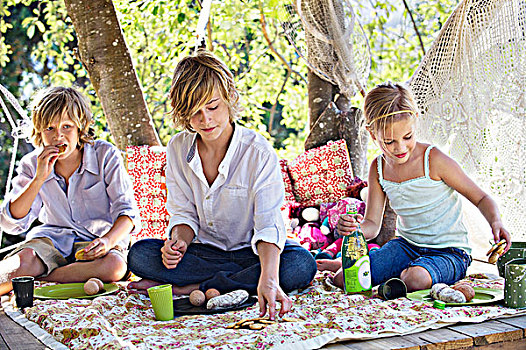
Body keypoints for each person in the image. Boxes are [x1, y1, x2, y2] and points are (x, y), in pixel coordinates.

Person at [127, 50, 317, 319]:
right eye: (194, 113)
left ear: (229, 99)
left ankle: (192, 288)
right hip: (204, 254)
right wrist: (178, 243)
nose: (205, 119)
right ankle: (228, 284)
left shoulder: (259, 153)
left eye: (213, 107)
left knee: (300, 265)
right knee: (139, 255)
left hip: (253, 253)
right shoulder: (178, 148)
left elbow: (268, 225)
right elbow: (183, 214)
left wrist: (270, 278)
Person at [330, 82, 511, 292]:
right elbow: (372, 224)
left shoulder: (433, 160)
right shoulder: (377, 168)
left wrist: (496, 222)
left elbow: (481, 198)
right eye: (389, 142)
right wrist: (355, 229)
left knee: (415, 279)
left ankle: (403, 275)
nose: (400, 148)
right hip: (406, 247)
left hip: (450, 252)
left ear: (415, 121)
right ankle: (398, 274)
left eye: (407, 137)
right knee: (344, 278)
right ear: (372, 134)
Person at [0, 87, 140, 295]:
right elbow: (12, 223)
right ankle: (42, 274)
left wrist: (108, 241)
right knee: (22, 261)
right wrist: (39, 178)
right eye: (49, 128)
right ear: (38, 131)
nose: (58, 136)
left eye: (67, 127)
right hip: (53, 240)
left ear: (80, 128)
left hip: (98, 241)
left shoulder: (105, 155)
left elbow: (127, 213)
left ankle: (42, 279)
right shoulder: (32, 164)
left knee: (115, 267)